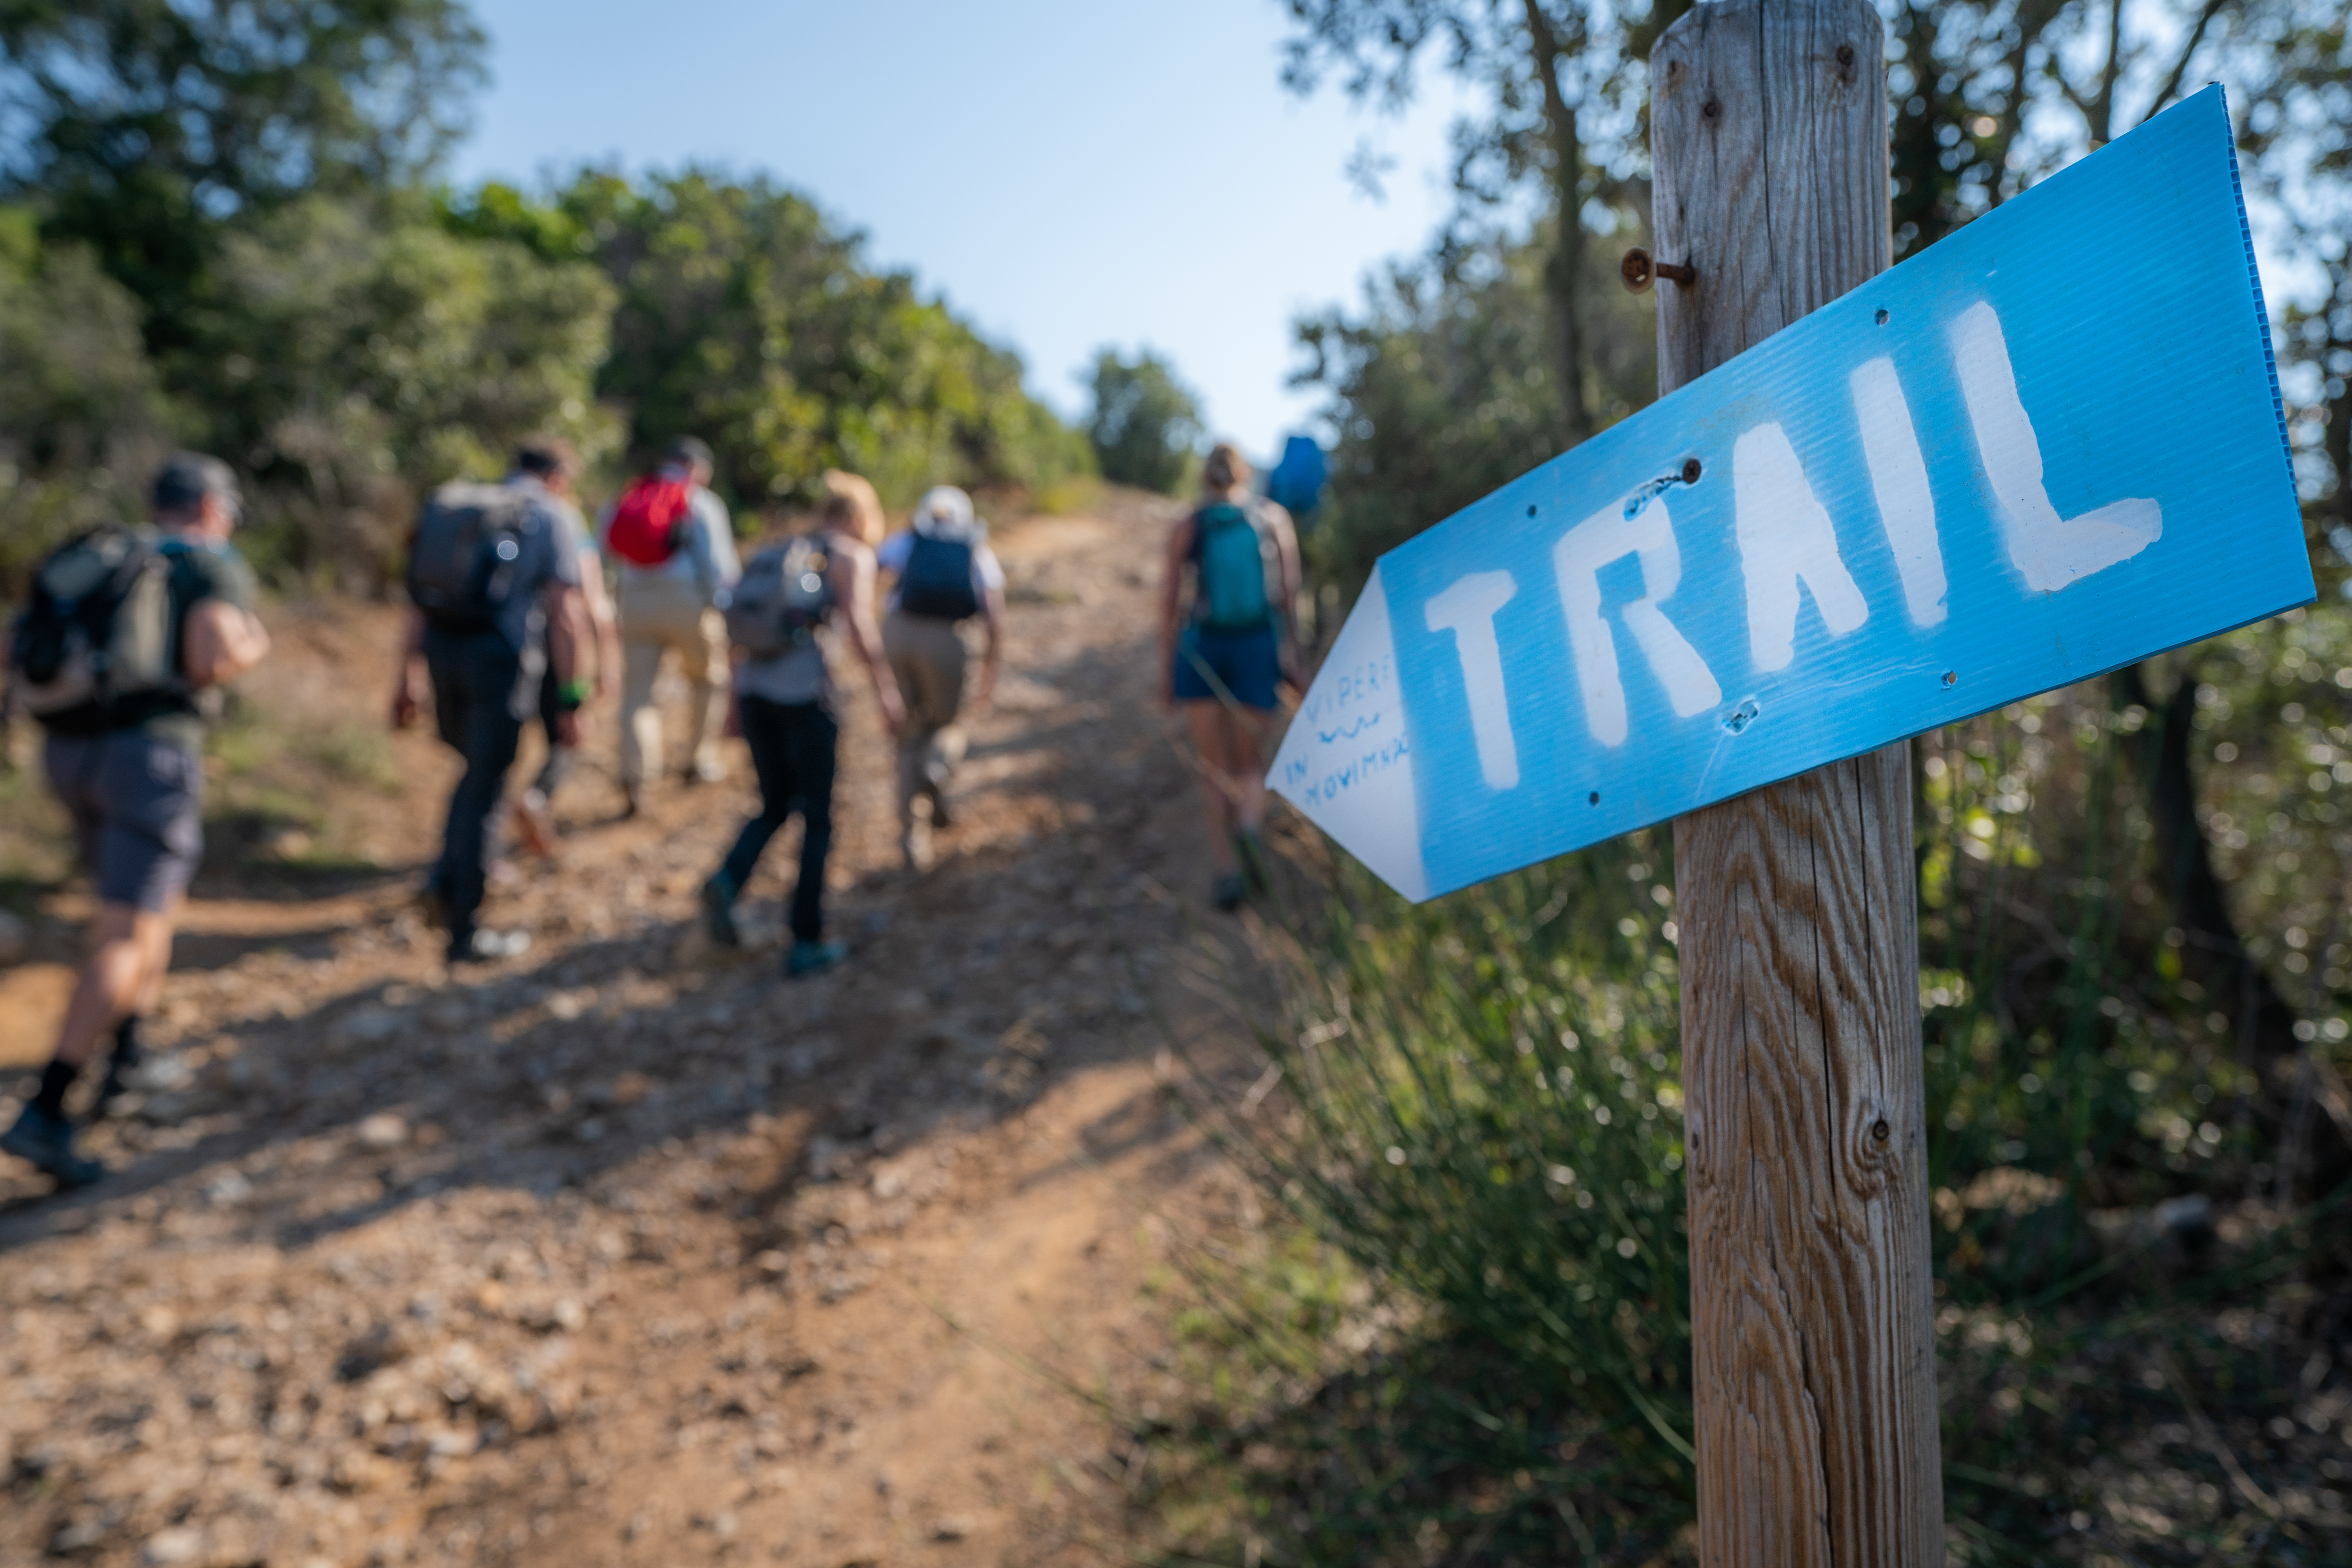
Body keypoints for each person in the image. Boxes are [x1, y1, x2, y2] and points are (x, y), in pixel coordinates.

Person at [2, 454, 272, 1187]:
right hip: (149, 756)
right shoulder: (207, 565)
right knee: (127, 927)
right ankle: (48, 1109)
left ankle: (130, 1058)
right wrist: (254, 645)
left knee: (143, 906)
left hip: (69, 754)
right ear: (214, 508)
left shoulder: (104, 554)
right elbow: (210, 656)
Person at [701, 470, 904, 978]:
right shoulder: (849, 555)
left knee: (773, 803)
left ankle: (728, 880)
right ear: (859, 516)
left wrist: (731, 703)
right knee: (818, 818)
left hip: (754, 692)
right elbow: (858, 625)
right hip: (806, 694)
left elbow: (738, 631)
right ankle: (806, 939)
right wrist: (886, 688)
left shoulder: (780, 549)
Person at [390, 454, 591, 964]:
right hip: (500, 663)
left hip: (443, 653)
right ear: (556, 475)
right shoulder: (550, 515)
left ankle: (444, 881)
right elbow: (567, 614)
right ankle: (465, 932)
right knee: (488, 787)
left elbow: (419, 599)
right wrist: (572, 698)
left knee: (474, 775)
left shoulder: (460, 505)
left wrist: (406, 676)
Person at [1159, 442, 1302, 911]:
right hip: (1256, 646)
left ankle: (1226, 869)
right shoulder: (1272, 517)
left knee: (1213, 766)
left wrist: (1166, 673)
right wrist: (1293, 658)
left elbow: (1168, 604)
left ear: (1205, 475)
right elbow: (1288, 594)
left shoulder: (1192, 523)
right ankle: (1249, 825)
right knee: (1251, 762)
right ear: (1244, 474)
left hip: (1203, 650)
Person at [603, 436, 740, 814]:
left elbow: (609, 549)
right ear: (698, 467)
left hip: (634, 601)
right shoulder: (702, 502)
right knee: (707, 679)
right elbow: (720, 568)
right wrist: (726, 613)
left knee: (638, 694)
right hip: (687, 601)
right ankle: (699, 760)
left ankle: (637, 775)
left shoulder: (631, 495)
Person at [876, 485, 1007, 871]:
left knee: (906, 738)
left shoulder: (908, 539)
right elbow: (995, 620)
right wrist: (989, 673)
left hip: (898, 632)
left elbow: (871, 566)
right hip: (947, 639)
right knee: (949, 726)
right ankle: (936, 769)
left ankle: (911, 842)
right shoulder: (975, 547)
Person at [508, 437, 618, 857]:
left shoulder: (491, 508)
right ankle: (538, 797)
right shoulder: (560, 516)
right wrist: (594, 671)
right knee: (568, 737)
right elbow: (585, 604)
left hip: (498, 649)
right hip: (554, 648)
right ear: (556, 477)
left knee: (499, 750)